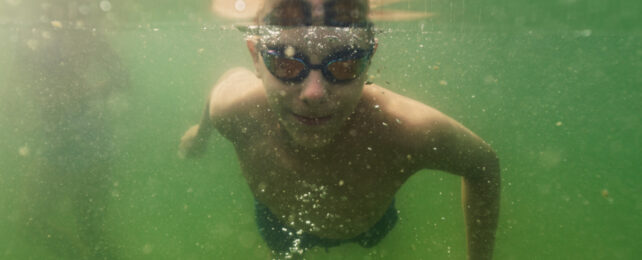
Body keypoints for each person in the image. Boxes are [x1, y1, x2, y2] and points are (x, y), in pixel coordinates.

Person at [179, 0, 500, 259]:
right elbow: (217, 94)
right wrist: (200, 134)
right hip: (278, 221)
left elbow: (483, 165)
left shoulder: (407, 128)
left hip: (370, 227)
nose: (314, 94)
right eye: (287, 65)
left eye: (343, 65)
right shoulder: (235, 107)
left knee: (380, 243)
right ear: (256, 58)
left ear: (369, 59)